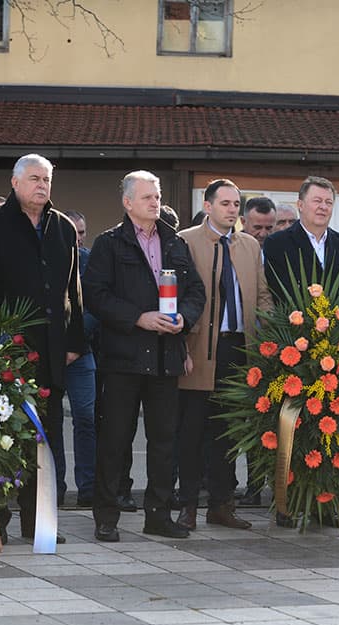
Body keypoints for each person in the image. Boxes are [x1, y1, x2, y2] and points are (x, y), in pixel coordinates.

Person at [0, 153, 85, 545]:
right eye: (34, 178)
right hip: (4, 352)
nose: (42, 186)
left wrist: (73, 342)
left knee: (44, 439)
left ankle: (38, 521)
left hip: (51, 351)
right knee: (0, 437)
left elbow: (73, 291)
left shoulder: (62, 227)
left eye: (47, 179)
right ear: (14, 182)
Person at [84, 170, 205, 541]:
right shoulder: (110, 244)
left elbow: (196, 290)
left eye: (157, 196)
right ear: (127, 202)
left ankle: (158, 514)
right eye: (148, 197)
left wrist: (184, 317)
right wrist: (138, 318)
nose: (155, 202)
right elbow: (95, 295)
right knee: (115, 439)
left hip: (165, 356)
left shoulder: (174, 242)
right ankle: (106, 516)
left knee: (164, 440)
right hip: (124, 357)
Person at [175, 179, 271, 531]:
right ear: (208, 205)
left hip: (238, 348)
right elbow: (179, 295)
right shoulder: (186, 240)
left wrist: (266, 341)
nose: (232, 209)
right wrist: (181, 344)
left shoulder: (250, 246)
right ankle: (187, 505)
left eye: (236, 204)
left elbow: (262, 296)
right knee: (191, 433)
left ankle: (222, 504)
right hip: (199, 348)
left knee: (228, 433)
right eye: (226, 203)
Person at [263, 176, 339, 303]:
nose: (323, 207)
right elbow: (277, 294)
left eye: (329, 202)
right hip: (295, 321)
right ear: (300, 205)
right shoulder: (277, 243)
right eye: (317, 201)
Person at [62, 210, 98, 508]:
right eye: (73, 232)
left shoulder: (90, 261)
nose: (78, 238)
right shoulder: (46, 257)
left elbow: (94, 307)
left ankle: (87, 487)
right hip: (48, 353)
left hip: (81, 352)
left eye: (82, 233)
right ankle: (55, 487)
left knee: (86, 418)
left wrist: (73, 344)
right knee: (48, 421)